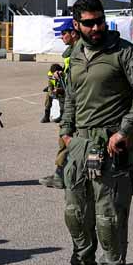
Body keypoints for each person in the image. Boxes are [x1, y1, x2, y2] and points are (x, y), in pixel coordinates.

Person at [46, 0, 133, 265]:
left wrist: (125, 130)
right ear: (76, 24)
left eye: (100, 21)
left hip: (111, 144)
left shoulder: (124, 53)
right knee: (75, 211)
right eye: (89, 22)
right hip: (79, 145)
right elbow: (70, 96)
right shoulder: (76, 53)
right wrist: (66, 132)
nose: (96, 27)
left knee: (108, 215)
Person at [40, 26, 79, 189]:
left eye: (64, 33)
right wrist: (62, 74)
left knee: (65, 138)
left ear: (73, 33)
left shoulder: (78, 52)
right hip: (72, 102)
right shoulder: (72, 53)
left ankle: (60, 176)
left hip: (76, 105)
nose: (62, 36)